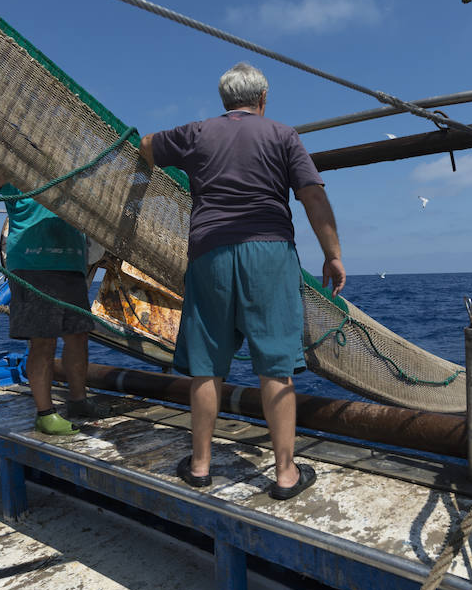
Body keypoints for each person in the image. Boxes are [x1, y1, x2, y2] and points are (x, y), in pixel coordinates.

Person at [140, 62, 346, 500]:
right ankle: (286, 474)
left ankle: (199, 466)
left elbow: (145, 146)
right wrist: (333, 255)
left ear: (224, 100)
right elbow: (312, 196)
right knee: (275, 365)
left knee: (206, 365)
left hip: (209, 252)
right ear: (263, 100)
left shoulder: (196, 132)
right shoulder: (283, 135)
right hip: (269, 251)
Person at [0, 166, 108, 435]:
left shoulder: (74, 179)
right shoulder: (19, 170)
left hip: (72, 265)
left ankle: (78, 401)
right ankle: (45, 413)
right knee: (43, 340)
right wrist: (3, 161)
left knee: (78, 336)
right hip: (33, 265)